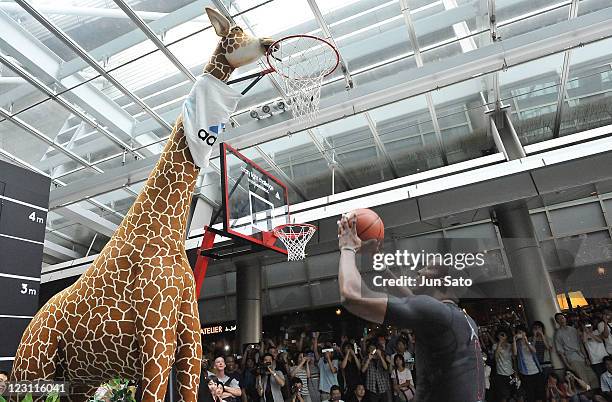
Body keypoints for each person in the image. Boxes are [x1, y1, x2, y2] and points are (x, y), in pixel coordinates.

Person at [337, 214, 485, 402]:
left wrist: (347, 247)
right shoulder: (463, 320)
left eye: (427, 268)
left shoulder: (437, 314)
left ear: (440, 282)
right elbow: (412, 300)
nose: (418, 271)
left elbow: (351, 295)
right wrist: (379, 264)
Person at [554, 313, 599, 389]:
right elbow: (561, 352)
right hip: (572, 358)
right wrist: (567, 365)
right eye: (559, 319)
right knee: (583, 379)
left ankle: (597, 394)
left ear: (565, 319)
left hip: (581, 356)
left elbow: (580, 344)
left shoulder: (573, 329)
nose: (562, 320)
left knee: (593, 377)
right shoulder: (558, 334)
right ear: (557, 321)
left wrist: (586, 357)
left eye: (562, 318)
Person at [513, 325, 544, 402]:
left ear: (526, 332)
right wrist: (514, 339)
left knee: (539, 393)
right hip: (525, 372)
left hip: (536, 370)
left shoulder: (530, 340)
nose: (521, 334)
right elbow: (515, 353)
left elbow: (534, 351)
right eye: (519, 332)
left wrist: (526, 341)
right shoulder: (517, 344)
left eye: (523, 332)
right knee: (530, 394)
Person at [493, 328, 523, 402]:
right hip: (501, 374)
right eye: (500, 335)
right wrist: (500, 342)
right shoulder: (495, 345)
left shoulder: (510, 345)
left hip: (511, 373)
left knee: (519, 394)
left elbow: (515, 354)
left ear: (507, 336)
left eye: (504, 334)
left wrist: (514, 340)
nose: (502, 336)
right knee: (504, 396)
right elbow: (496, 357)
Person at [314, 335, 340, 401]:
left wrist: (328, 358)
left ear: (332, 353)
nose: (327, 353)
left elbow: (333, 370)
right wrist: (316, 338)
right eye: (326, 351)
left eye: (329, 352)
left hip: (335, 392)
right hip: (324, 392)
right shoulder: (321, 361)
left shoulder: (335, 361)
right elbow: (315, 351)